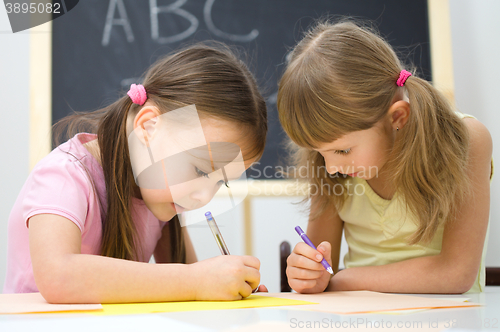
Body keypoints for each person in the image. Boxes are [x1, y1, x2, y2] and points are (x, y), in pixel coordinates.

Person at [4, 43, 269, 303]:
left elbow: (191, 288)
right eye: (200, 169)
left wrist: (227, 287)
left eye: (220, 183)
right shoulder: (63, 176)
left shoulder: (159, 194)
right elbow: (58, 277)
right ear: (149, 126)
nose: (202, 197)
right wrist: (197, 280)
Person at [277, 20, 492, 294]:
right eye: (320, 153)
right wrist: (309, 274)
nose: (331, 168)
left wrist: (340, 280)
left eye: (343, 151)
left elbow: (455, 274)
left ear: (397, 117)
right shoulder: (330, 163)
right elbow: (320, 270)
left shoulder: (465, 140)